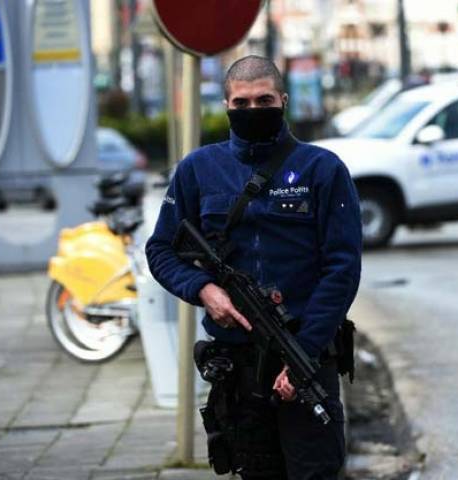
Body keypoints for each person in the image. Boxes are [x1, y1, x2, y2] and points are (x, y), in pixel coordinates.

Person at [145, 55, 362, 480]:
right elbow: (161, 250)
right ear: (226, 106)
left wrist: (305, 354)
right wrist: (204, 290)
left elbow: (342, 268)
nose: (252, 110)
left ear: (283, 100)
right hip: (237, 371)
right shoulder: (197, 170)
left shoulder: (323, 169)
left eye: (264, 100)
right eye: (241, 103)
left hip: (306, 353)